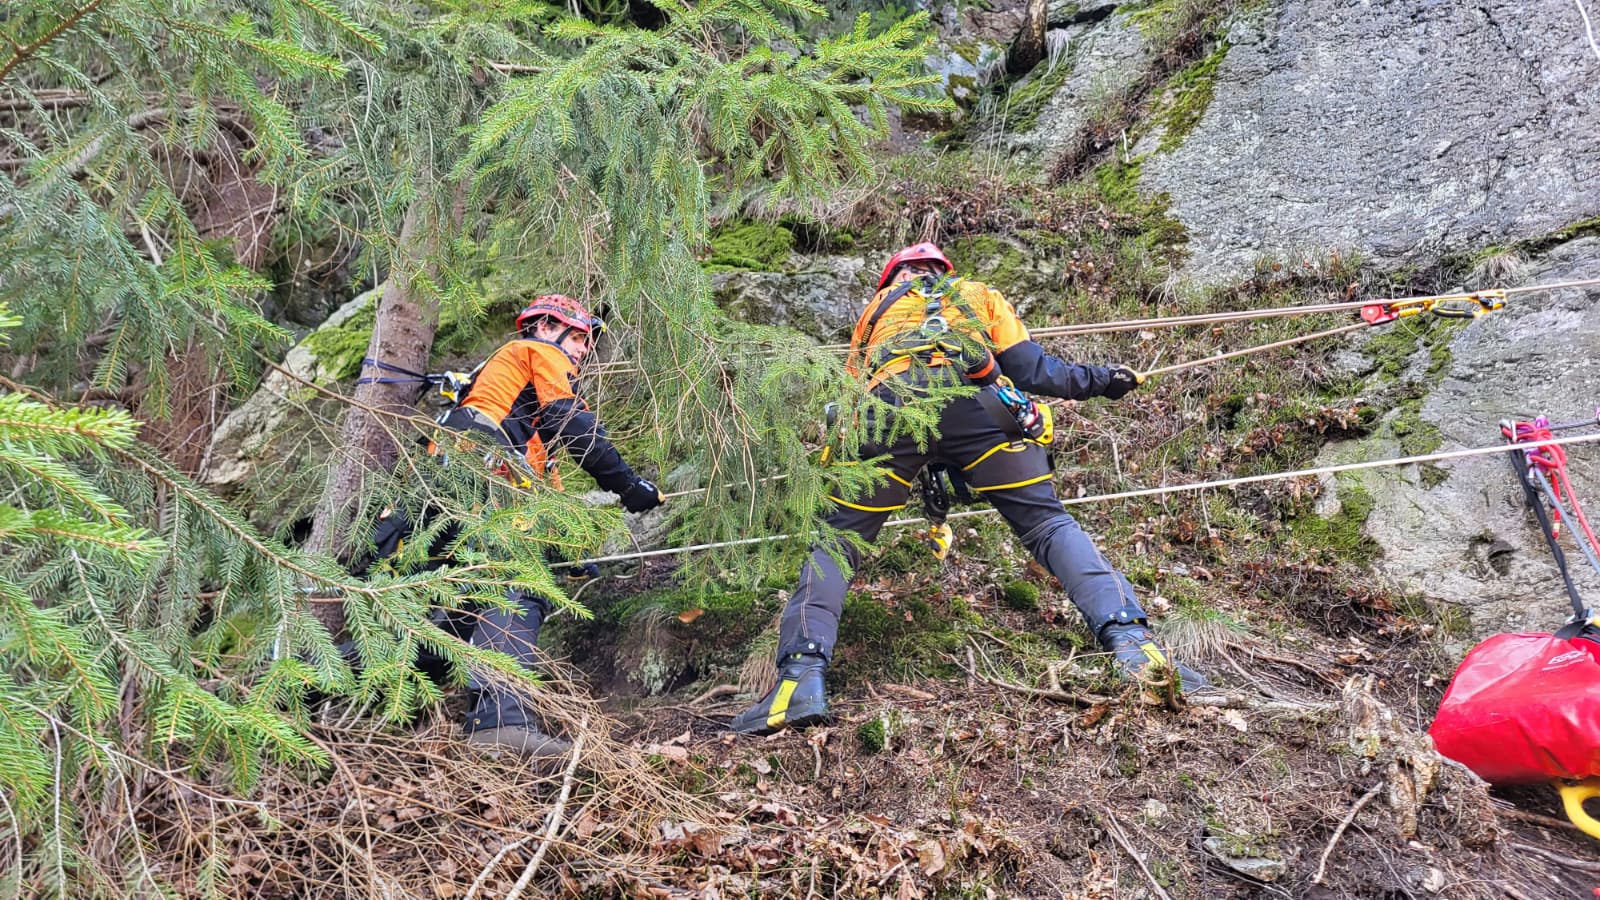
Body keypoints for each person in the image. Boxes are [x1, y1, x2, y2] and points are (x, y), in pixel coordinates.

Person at [729, 243, 1209, 736]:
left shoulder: (876, 312)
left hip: (888, 409)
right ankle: (1136, 649)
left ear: (892, 276)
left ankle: (799, 681)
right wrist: (1104, 381)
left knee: (840, 541)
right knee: (1046, 523)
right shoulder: (978, 295)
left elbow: (854, 398)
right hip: (980, 404)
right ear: (944, 271)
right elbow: (1031, 371)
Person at [365, 294, 664, 757]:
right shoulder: (536, 353)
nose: (583, 351)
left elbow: (545, 495)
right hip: (474, 487)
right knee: (519, 586)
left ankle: (315, 681)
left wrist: (568, 554)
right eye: (579, 337)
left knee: (456, 622)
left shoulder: (516, 417)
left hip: (448, 494)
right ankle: (499, 723)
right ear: (545, 327)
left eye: (586, 343)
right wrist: (629, 486)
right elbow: (575, 424)